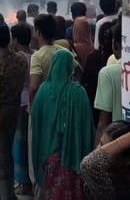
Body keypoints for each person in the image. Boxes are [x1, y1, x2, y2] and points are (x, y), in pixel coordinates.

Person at [31, 48, 93, 199]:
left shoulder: (42, 91)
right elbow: (87, 127)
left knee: (52, 189)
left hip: (49, 153)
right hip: (74, 153)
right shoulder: (79, 93)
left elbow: (35, 123)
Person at [0, 25, 27, 200]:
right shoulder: (21, 61)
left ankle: (7, 194)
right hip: (16, 109)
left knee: (3, 155)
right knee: (12, 148)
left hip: (0, 114)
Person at [79, 121, 130, 200]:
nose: (100, 151)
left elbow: (89, 164)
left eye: (106, 147)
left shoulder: (120, 187)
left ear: (129, 160)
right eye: (101, 144)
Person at [10, 23, 34, 196]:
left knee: (19, 143)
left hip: (20, 103)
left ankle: (23, 181)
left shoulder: (16, 59)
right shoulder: (35, 56)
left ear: (16, 40)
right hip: (33, 103)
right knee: (31, 140)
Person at [94, 24, 124, 144]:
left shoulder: (108, 73)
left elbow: (103, 123)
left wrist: (96, 156)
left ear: (116, 45)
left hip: (118, 144)